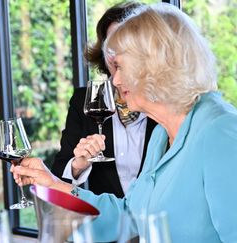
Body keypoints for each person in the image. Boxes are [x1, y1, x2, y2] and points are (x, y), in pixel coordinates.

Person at [13, 3, 237, 242]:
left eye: (120, 66)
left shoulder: (219, 131)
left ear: (154, 66)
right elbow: (131, 216)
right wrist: (54, 183)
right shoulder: (162, 134)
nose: (115, 80)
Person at [52, 1, 157, 198]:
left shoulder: (164, 101)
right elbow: (59, 174)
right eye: (112, 46)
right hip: (108, 224)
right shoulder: (83, 100)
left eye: (127, 46)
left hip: (160, 223)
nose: (118, 56)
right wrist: (79, 164)